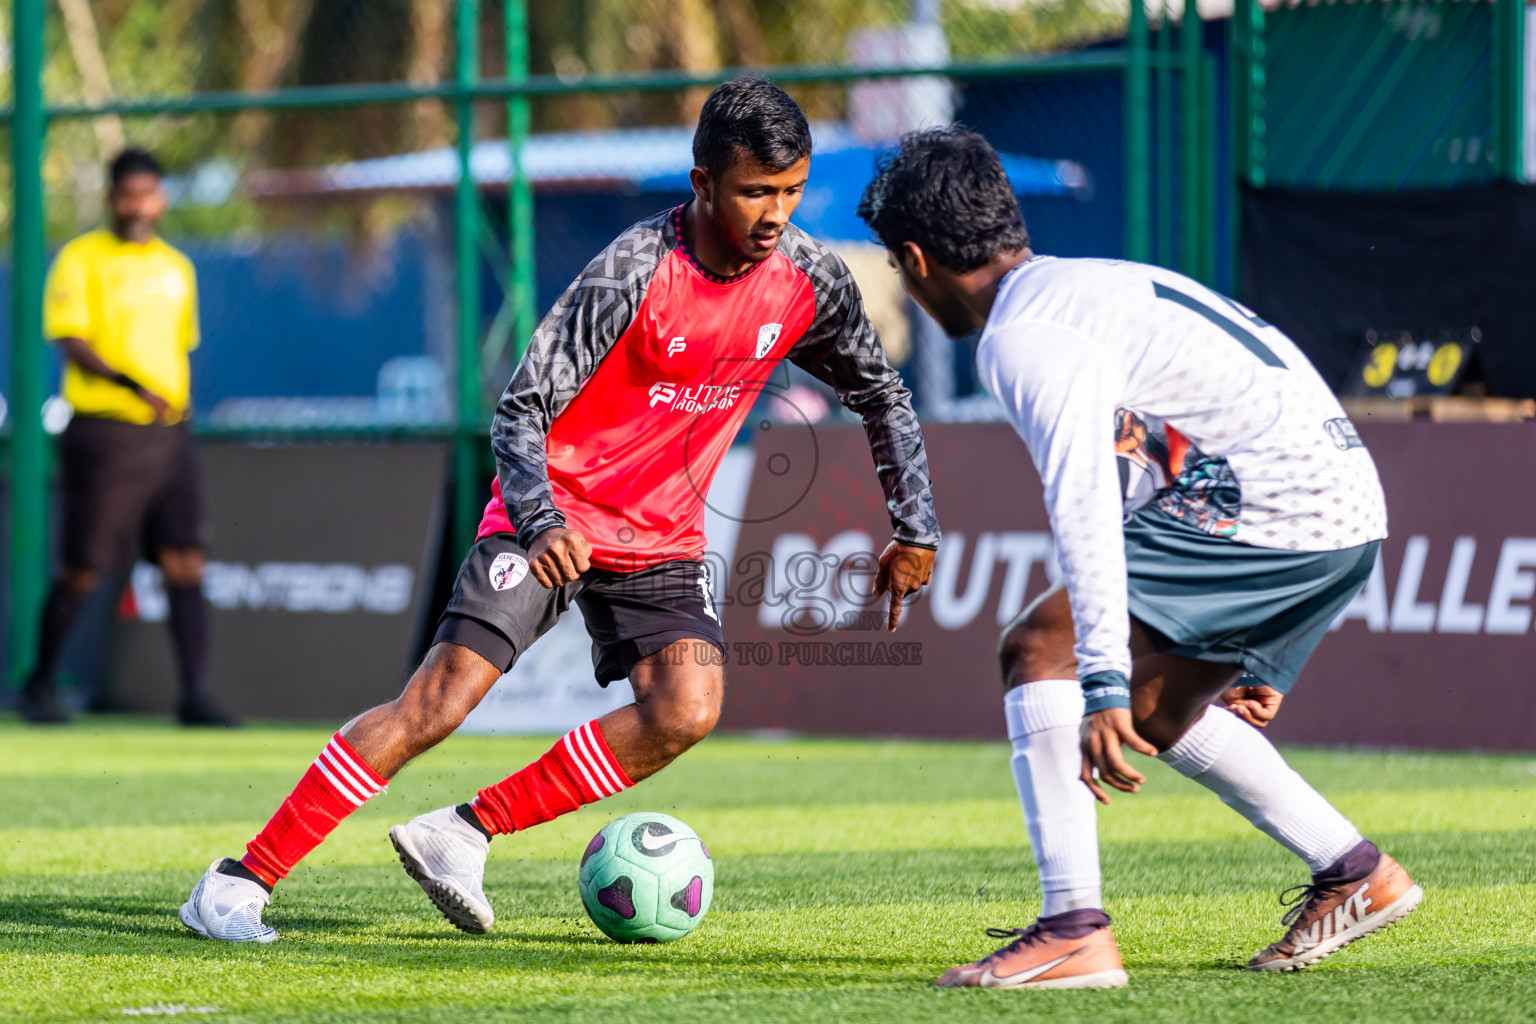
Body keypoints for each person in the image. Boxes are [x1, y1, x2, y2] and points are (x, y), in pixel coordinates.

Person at [179, 78, 940, 943]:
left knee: (687, 707)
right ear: (702, 182)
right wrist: (542, 523)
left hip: (660, 540)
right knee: (438, 704)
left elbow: (882, 393)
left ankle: (462, 831)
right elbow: (521, 408)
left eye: (791, 190)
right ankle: (239, 881)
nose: (776, 212)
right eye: (756, 190)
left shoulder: (807, 276)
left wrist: (914, 526)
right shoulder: (634, 271)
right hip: (554, 512)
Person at [857, 127, 1419, 988]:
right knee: (1158, 722)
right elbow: (1140, 461)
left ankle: (1073, 930)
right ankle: (1355, 873)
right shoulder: (1082, 289)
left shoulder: (1023, 335)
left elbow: (1082, 502)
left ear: (915, 258)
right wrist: (1246, 641)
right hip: (1339, 504)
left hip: (1274, 501)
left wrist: (1100, 676)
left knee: (1036, 651)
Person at [22, 148, 233, 727]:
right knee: (84, 567)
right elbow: (70, 339)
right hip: (105, 435)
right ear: (112, 198)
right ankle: (38, 683)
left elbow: (178, 347)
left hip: (171, 436)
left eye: (148, 194)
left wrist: (167, 399)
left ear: (160, 199)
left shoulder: (175, 267)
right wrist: (131, 383)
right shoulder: (80, 259)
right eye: (127, 194)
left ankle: (195, 695)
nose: (138, 205)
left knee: (185, 559)